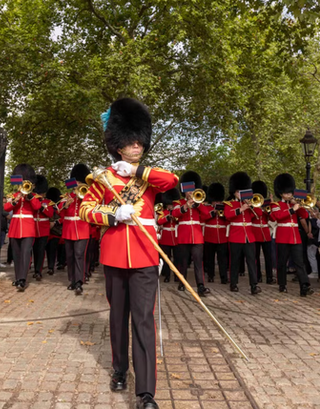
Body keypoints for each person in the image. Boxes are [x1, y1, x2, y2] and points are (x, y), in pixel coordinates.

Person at [79, 97, 178, 409]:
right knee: (118, 318)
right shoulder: (102, 179)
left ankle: (146, 392)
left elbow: (172, 181)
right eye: (131, 143)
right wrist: (112, 215)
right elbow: (85, 210)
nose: (137, 147)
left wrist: (140, 170)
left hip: (146, 256)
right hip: (113, 257)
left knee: (144, 322)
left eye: (139, 142)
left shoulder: (147, 177)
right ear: (117, 145)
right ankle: (120, 369)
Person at [269, 173, 313, 296]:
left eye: (290, 192)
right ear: (281, 193)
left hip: (295, 237)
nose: (289, 195)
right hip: (283, 237)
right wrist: (292, 209)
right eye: (286, 193)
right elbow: (278, 216)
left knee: (299, 262)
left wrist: (300, 207)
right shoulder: (276, 205)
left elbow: (304, 216)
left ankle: (304, 285)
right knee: (282, 262)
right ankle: (282, 284)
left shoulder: (294, 205)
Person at [172, 171, 210, 296]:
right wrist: (186, 206)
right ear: (184, 191)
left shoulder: (200, 202)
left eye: (192, 190)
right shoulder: (178, 203)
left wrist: (198, 205)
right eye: (188, 190)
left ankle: (200, 286)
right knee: (183, 262)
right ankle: (182, 283)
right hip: (184, 236)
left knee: (199, 262)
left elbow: (206, 215)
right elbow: (175, 214)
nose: (190, 192)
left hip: (197, 236)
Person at [3, 164, 40, 291]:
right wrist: (16, 199)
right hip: (15, 227)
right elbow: (6, 208)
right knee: (16, 254)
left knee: (25, 253)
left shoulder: (34, 196)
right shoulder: (14, 195)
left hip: (28, 227)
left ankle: (23, 279)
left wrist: (29, 196)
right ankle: (17, 277)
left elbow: (37, 207)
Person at [224, 172, 262, 295]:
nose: (241, 194)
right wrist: (241, 209)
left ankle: (254, 285)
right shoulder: (230, 204)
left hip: (249, 237)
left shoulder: (250, 204)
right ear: (234, 192)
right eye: (239, 191)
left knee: (251, 262)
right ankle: (233, 283)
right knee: (235, 261)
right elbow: (228, 216)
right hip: (236, 236)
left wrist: (252, 206)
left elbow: (259, 215)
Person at [57, 163, 91, 295]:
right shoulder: (67, 196)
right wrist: (66, 205)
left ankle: (79, 282)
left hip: (82, 229)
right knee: (70, 256)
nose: (77, 184)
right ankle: (71, 280)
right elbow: (60, 212)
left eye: (80, 181)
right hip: (68, 229)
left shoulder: (87, 195)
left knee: (79, 255)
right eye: (76, 181)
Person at [199, 183, 229, 284]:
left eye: (219, 200)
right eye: (215, 200)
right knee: (209, 258)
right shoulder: (206, 208)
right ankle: (210, 276)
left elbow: (229, 219)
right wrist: (213, 212)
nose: (217, 202)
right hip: (209, 236)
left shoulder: (225, 207)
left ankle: (223, 277)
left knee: (222, 259)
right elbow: (203, 218)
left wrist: (224, 215)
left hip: (222, 236)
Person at [251, 181, 275, 284]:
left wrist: (269, 210)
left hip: (265, 233)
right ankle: (258, 276)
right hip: (255, 232)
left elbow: (273, 219)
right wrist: (256, 208)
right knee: (255, 257)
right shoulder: (252, 205)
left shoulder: (267, 205)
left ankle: (269, 277)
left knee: (268, 257)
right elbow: (251, 217)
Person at [31, 175, 54, 281]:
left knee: (40, 251)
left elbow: (50, 214)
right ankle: (32, 268)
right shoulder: (32, 200)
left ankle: (38, 271)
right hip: (33, 228)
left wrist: (42, 208)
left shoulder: (48, 202)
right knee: (33, 250)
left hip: (43, 229)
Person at [157, 188, 180, 282]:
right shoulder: (163, 212)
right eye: (170, 204)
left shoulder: (177, 211)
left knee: (177, 259)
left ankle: (176, 276)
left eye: (172, 204)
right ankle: (167, 276)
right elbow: (159, 221)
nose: (171, 206)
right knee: (166, 259)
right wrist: (167, 217)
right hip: (166, 238)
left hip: (176, 236)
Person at [44, 187, 62, 275]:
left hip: (54, 231)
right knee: (51, 250)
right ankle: (50, 266)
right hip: (49, 230)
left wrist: (56, 221)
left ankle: (51, 267)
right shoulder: (48, 204)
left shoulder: (59, 205)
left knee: (51, 250)